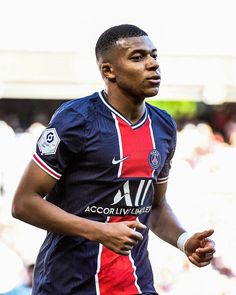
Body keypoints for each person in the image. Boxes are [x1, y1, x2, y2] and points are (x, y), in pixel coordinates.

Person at [11, 24, 215, 295]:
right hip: (69, 285)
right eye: (138, 57)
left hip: (136, 285)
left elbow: (154, 206)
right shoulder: (76, 119)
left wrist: (184, 239)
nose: (153, 64)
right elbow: (24, 203)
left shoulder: (163, 126)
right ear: (109, 71)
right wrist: (99, 231)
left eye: (154, 55)